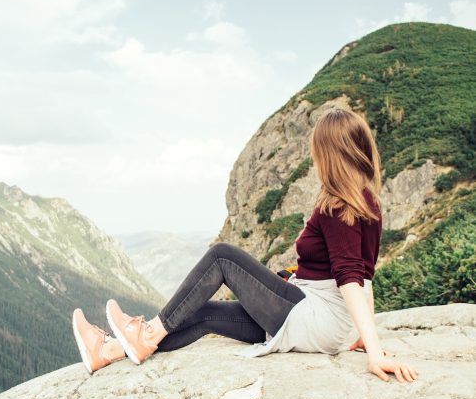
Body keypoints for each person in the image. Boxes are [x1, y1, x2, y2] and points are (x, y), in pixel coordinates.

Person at [72, 108, 419, 384]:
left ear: (329, 155)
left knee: (222, 256)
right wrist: (359, 334)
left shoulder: (338, 205)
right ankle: (108, 350)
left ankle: (146, 334)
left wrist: (373, 350)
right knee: (203, 314)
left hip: (313, 315)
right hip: (322, 319)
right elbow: (365, 275)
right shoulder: (367, 202)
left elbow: (350, 277)